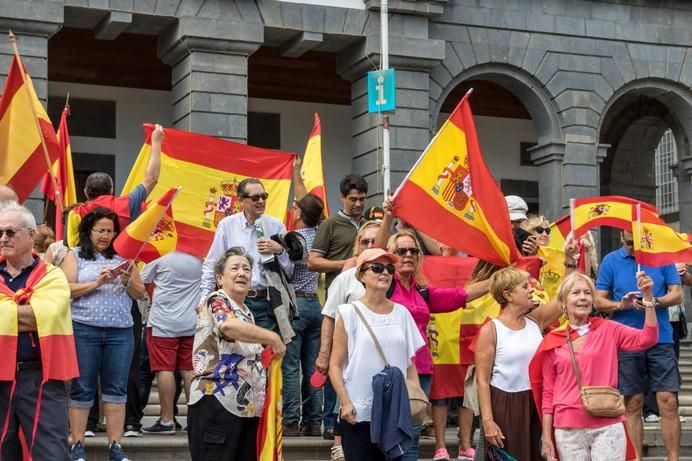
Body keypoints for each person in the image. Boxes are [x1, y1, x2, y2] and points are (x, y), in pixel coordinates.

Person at [386, 229, 490, 461]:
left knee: (412, 433)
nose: (408, 255)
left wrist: (496, 281)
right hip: (388, 370)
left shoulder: (422, 291)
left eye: (414, 251)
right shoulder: (383, 287)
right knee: (388, 433)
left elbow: (459, 295)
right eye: (401, 251)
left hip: (421, 370)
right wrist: (388, 216)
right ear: (390, 256)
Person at [533, 271, 659, 460]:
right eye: (576, 293)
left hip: (607, 422)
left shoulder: (609, 329)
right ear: (563, 302)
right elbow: (548, 392)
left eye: (587, 293)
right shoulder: (553, 340)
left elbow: (647, 338)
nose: (582, 297)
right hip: (567, 427)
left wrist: (648, 297)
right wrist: (546, 435)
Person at [61, 207, 146, 461]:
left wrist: (127, 281)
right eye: (100, 230)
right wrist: (96, 283)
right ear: (89, 231)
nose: (106, 236)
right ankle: (77, 445)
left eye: (110, 231)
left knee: (116, 389)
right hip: (84, 329)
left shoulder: (125, 257)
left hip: (120, 331)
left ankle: (115, 446)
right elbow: (65, 289)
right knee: (82, 388)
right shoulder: (74, 255)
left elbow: (141, 293)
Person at [187, 247, 286, 461]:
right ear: (220, 278)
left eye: (247, 269)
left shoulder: (245, 311)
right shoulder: (216, 299)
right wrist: (272, 338)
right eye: (235, 268)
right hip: (216, 404)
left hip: (245, 409)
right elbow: (228, 327)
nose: (242, 273)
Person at [595, 230, 683, 461]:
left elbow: (677, 294)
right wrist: (621, 304)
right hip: (626, 340)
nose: (633, 247)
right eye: (629, 242)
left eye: (637, 242)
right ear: (621, 236)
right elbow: (598, 300)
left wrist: (654, 300)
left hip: (660, 338)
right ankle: (635, 458)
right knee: (632, 402)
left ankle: (673, 458)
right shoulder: (611, 260)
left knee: (669, 401)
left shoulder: (662, 257)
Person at [329, 248, 425, 461]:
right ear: (362, 274)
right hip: (359, 411)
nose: (385, 273)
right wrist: (344, 402)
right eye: (377, 267)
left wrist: (413, 397)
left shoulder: (402, 313)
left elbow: (410, 363)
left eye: (390, 268)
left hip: (394, 412)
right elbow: (335, 364)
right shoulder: (348, 313)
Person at [0, 203, 78, 459]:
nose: (3, 238)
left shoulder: (52, 276)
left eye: (10, 232)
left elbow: (47, 316)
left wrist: (9, 313)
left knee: (51, 454)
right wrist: (28, 314)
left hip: (40, 378)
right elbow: (34, 316)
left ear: (32, 235)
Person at [474, 266, 563, 460]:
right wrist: (488, 421)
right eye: (524, 286)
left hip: (537, 402)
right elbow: (481, 380)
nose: (531, 289)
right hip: (505, 404)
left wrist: (571, 261)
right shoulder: (491, 330)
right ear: (508, 295)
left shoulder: (536, 321)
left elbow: (563, 298)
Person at [316, 220, 380, 454]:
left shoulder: (387, 278)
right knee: (343, 397)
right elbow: (329, 317)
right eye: (365, 241)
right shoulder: (346, 279)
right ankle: (338, 444)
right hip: (347, 355)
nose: (370, 244)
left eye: (375, 240)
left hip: (378, 358)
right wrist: (324, 354)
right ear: (357, 246)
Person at [200, 178, 292, 332]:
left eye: (264, 196)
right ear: (242, 200)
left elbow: (289, 270)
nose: (261, 201)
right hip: (233, 300)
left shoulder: (276, 226)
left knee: (263, 352)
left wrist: (280, 251)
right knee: (236, 351)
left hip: (266, 302)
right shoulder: (228, 225)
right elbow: (212, 264)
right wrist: (204, 297)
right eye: (255, 197)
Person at [66, 124, 163, 247]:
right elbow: (152, 179)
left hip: (86, 265)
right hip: (122, 264)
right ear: (111, 190)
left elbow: (73, 247)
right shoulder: (127, 203)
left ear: (85, 192)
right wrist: (156, 142)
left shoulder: (76, 214)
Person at [139, 251, 202, 435]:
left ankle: (167, 419)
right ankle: (194, 419)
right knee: (189, 369)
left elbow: (142, 284)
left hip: (163, 322)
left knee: (164, 369)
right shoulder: (200, 256)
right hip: (192, 320)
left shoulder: (159, 253)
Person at [282, 193, 325, 436]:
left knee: (290, 366)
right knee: (312, 367)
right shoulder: (321, 237)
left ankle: (290, 421)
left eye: (296, 208)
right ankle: (314, 421)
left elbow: (285, 269)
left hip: (294, 303)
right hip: (315, 303)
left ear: (299, 213)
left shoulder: (292, 238)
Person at [308, 174, 368, 289]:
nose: (358, 204)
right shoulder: (329, 224)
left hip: (365, 294)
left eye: (362, 199)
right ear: (342, 197)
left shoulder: (368, 225)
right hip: (338, 293)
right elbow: (312, 262)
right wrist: (345, 264)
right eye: (353, 199)